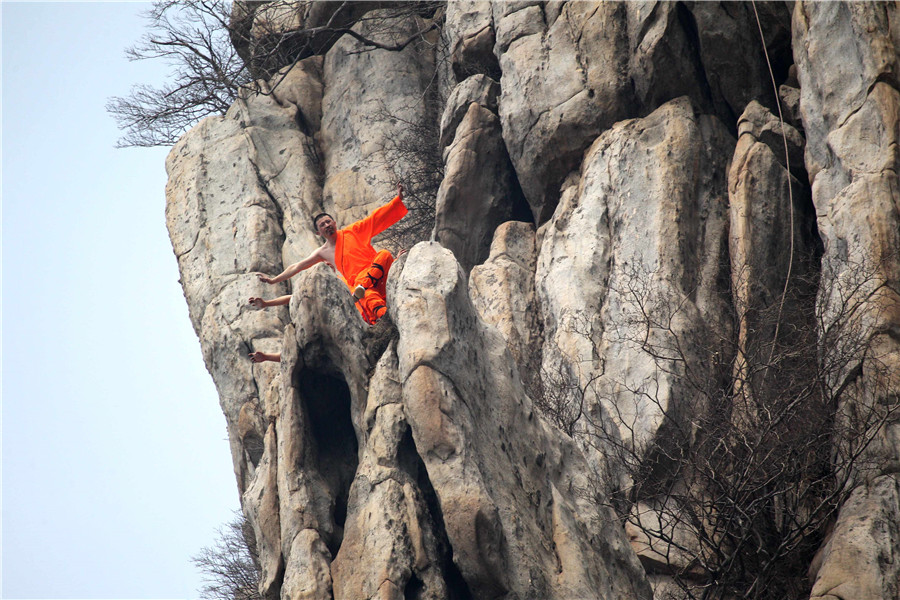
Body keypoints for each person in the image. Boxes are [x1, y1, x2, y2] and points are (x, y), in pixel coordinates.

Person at [252, 182, 407, 326]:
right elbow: (297, 266)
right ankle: (386, 319)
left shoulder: (353, 231)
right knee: (368, 298)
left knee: (385, 254)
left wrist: (397, 200)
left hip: (377, 275)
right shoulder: (323, 253)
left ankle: (363, 287)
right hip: (361, 287)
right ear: (318, 233)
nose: (327, 225)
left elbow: (375, 219)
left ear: (334, 223)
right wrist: (273, 280)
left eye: (328, 222)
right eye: (322, 225)